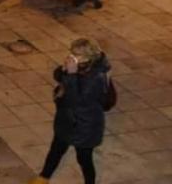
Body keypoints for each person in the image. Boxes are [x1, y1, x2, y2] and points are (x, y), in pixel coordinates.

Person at [29, 38, 111, 184]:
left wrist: (71, 75)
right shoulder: (80, 66)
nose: (72, 56)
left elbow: (77, 101)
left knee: (84, 158)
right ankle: (43, 177)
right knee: (56, 149)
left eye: (77, 54)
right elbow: (58, 76)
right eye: (72, 52)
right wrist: (64, 70)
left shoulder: (96, 78)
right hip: (67, 120)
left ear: (88, 57)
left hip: (85, 125)